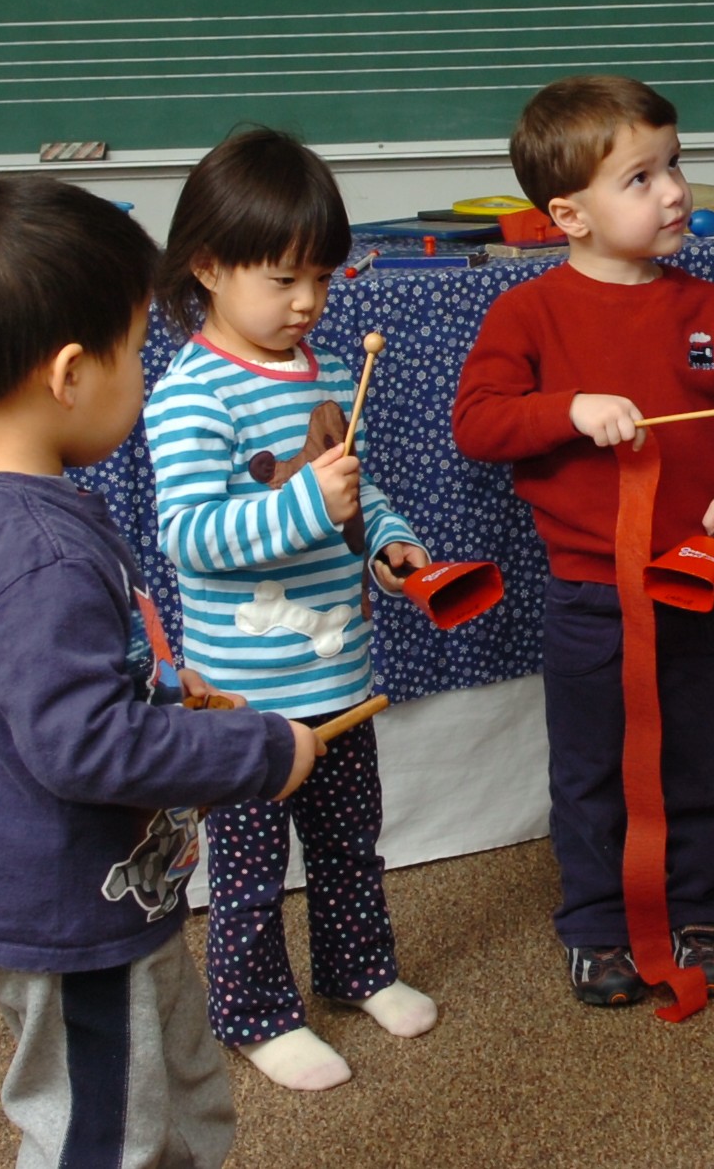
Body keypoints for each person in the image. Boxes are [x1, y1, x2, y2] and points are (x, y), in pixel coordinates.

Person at [0, 175, 320, 1167]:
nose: (145, 372)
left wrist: (176, 699)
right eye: (136, 348)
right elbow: (79, 742)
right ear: (71, 373)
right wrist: (254, 751)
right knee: (103, 1126)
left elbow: (51, 693)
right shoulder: (37, 547)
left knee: (171, 1086)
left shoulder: (22, 510)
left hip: (112, 888)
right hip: (72, 904)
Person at [451, 75, 714, 1005]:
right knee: (594, 763)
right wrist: (568, 409)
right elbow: (478, 422)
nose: (676, 191)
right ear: (569, 214)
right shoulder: (528, 314)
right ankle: (597, 925)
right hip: (591, 594)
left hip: (701, 585)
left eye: (674, 164)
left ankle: (702, 909)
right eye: (640, 178)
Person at [144, 129, 437, 1092]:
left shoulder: (312, 364)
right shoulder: (192, 393)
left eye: (320, 276)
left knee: (352, 844)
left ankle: (359, 972)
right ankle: (255, 1013)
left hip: (339, 674)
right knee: (250, 871)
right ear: (209, 266)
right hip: (245, 700)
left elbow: (352, 479)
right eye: (283, 279)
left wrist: (388, 542)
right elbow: (190, 536)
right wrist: (315, 504)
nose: (309, 301)